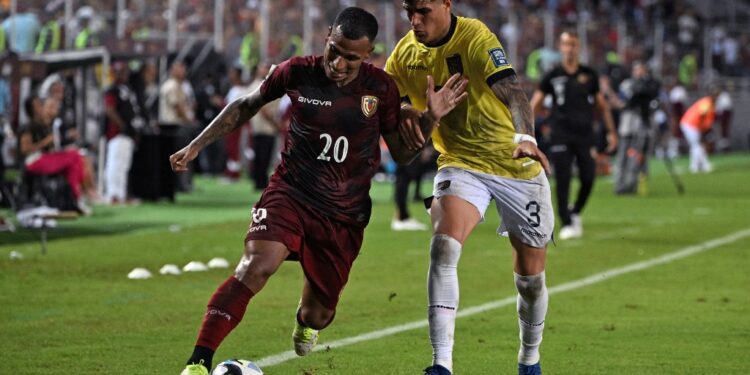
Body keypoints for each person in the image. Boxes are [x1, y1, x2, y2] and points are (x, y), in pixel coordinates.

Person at [171, 7, 467, 375]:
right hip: (291, 193)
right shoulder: (297, 71)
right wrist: (196, 145)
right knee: (255, 266)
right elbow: (246, 105)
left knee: (319, 314)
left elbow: (404, 154)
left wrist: (430, 119)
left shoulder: (381, 89)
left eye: (351, 58)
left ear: (369, 54)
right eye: (335, 50)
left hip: (343, 214)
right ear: (328, 36)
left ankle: (305, 320)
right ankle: (198, 363)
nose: (339, 64)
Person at [385, 1, 554, 374]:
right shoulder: (403, 55)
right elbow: (394, 113)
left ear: (446, 3)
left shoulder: (475, 36)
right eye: (408, 10)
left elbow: (513, 90)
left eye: (423, 10)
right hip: (461, 163)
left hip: (514, 163)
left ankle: (529, 357)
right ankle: (441, 363)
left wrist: (526, 136)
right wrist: (414, 115)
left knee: (530, 280)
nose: (415, 19)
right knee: (443, 246)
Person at [530, 31, 617, 240]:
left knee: (588, 176)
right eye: (565, 44)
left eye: (573, 44)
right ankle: (566, 222)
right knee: (563, 177)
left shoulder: (588, 74)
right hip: (560, 132)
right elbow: (536, 103)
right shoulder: (553, 74)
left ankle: (575, 210)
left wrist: (611, 132)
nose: (569, 48)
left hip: (584, 134)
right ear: (560, 47)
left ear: (578, 47)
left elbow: (601, 105)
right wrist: (525, 130)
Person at [103, 62, 144, 204]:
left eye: (125, 72)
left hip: (128, 133)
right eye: (120, 72)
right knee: (115, 163)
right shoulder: (112, 90)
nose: (123, 75)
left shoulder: (127, 89)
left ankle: (121, 194)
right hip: (117, 133)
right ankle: (113, 195)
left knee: (124, 165)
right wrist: (122, 125)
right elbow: (109, 109)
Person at [680, 89, 719, 174]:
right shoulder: (706, 102)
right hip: (690, 125)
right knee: (697, 144)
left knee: (696, 145)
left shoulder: (710, 104)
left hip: (692, 125)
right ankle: (702, 165)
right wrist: (701, 130)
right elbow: (702, 115)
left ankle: (695, 166)